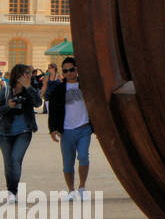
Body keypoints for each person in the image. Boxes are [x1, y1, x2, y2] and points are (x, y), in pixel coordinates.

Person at [47, 56, 95, 199]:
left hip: (84, 128)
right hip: (66, 131)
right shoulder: (59, 89)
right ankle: (71, 191)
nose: (68, 73)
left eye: (71, 70)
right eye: (65, 71)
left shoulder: (87, 87)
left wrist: (98, 128)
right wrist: (53, 129)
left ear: (77, 70)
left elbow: (97, 106)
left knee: (83, 157)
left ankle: (82, 187)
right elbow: (53, 110)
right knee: (68, 164)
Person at [1, 64, 42, 204]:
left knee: (15, 160)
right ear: (18, 76)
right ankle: (10, 190)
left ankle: (13, 192)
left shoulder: (30, 90)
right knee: (8, 163)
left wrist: (29, 87)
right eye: (26, 73)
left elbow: (38, 103)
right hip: (4, 132)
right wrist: (8, 106)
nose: (29, 76)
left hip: (24, 131)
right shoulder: (5, 91)